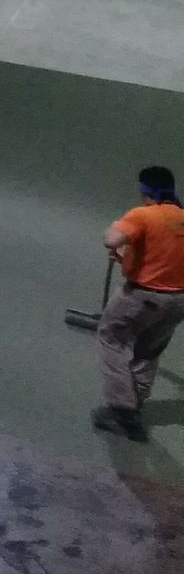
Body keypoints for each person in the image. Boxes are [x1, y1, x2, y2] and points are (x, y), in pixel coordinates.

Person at [92, 165, 184, 441]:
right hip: (178, 301)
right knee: (148, 351)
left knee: (111, 338)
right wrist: (125, 259)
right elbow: (167, 258)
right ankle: (137, 402)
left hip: (142, 297)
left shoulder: (143, 215)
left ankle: (122, 408)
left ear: (145, 191)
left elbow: (113, 238)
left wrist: (113, 232)